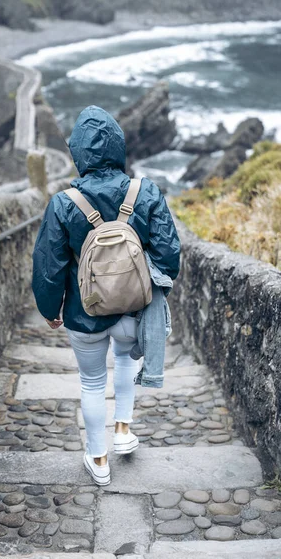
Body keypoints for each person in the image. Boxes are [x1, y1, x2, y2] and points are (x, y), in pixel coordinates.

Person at [32, 105, 180, 486]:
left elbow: (47, 267)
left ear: (78, 153)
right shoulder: (144, 191)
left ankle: (98, 459)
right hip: (133, 311)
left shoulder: (63, 203)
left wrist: (50, 310)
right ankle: (123, 430)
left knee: (92, 383)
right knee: (127, 364)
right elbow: (169, 255)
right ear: (119, 146)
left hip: (85, 316)